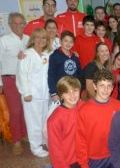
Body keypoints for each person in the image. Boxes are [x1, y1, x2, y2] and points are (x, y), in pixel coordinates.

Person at [16, 28, 51, 157]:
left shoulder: (47, 55)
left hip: (44, 95)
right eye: (38, 37)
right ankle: (35, 147)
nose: (41, 40)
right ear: (33, 39)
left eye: (44, 38)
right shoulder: (26, 54)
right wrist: (26, 93)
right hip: (31, 96)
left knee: (44, 121)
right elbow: (21, 75)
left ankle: (43, 142)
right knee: (33, 122)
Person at [77, 69, 120, 168]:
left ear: (112, 88)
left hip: (114, 154)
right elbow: (80, 140)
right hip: (94, 158)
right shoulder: (84, 110)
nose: (105, 90)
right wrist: (83, 164)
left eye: (109, 86)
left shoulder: (118, 105)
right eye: (102, 85)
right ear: (95, 86)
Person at [0, 12, 29, 155]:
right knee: (15, 110)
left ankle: (24, 135)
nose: (18, 26)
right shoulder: (3, 40)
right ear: (10, 24)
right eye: (15, 23)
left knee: (26, 109)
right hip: (9, 79)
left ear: (25, 24)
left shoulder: (29, 39)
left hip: (26, 79)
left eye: (21, 23)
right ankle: (16, 141)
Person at [47, 76, 83, 168]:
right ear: (61, 95)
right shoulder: (55, 119)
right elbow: (55, 150)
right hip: (68, 162)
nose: (72, 95)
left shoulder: (83, 107)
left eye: (75, 91)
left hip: (84, 157)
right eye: (67, 92)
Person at [48, 31, 82, 102]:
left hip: (73, 90)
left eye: (71, 42)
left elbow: (79, 74)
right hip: (60, 91)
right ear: (60, 41)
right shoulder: (54, 56)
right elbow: (51, 75)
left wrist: (79, 89)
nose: (68, 44)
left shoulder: (75, 57)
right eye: (66, 41)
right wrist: (53, 92)